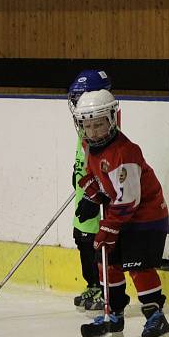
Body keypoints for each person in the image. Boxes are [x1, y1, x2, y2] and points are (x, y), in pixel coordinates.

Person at [71, 89, 169, 337]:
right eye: (88, 125)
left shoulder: (125, 152)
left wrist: (107, 228)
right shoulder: (89, 146)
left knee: (138, 267)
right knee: (107, 263)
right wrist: (91, 195)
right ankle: (113, 318)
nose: (93, 131)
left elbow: (128, 200)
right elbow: (98, 177)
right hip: (122, 216)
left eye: (98, 124)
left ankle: (156, 318)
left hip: (146, 218)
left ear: (112, 119)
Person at [67, 69, 111, 314]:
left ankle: (103, 288)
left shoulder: (102, 127)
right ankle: (92, 284)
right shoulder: (83, 127)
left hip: (96, 200)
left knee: (96, 245)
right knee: (82, 240)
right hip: (82, 197)